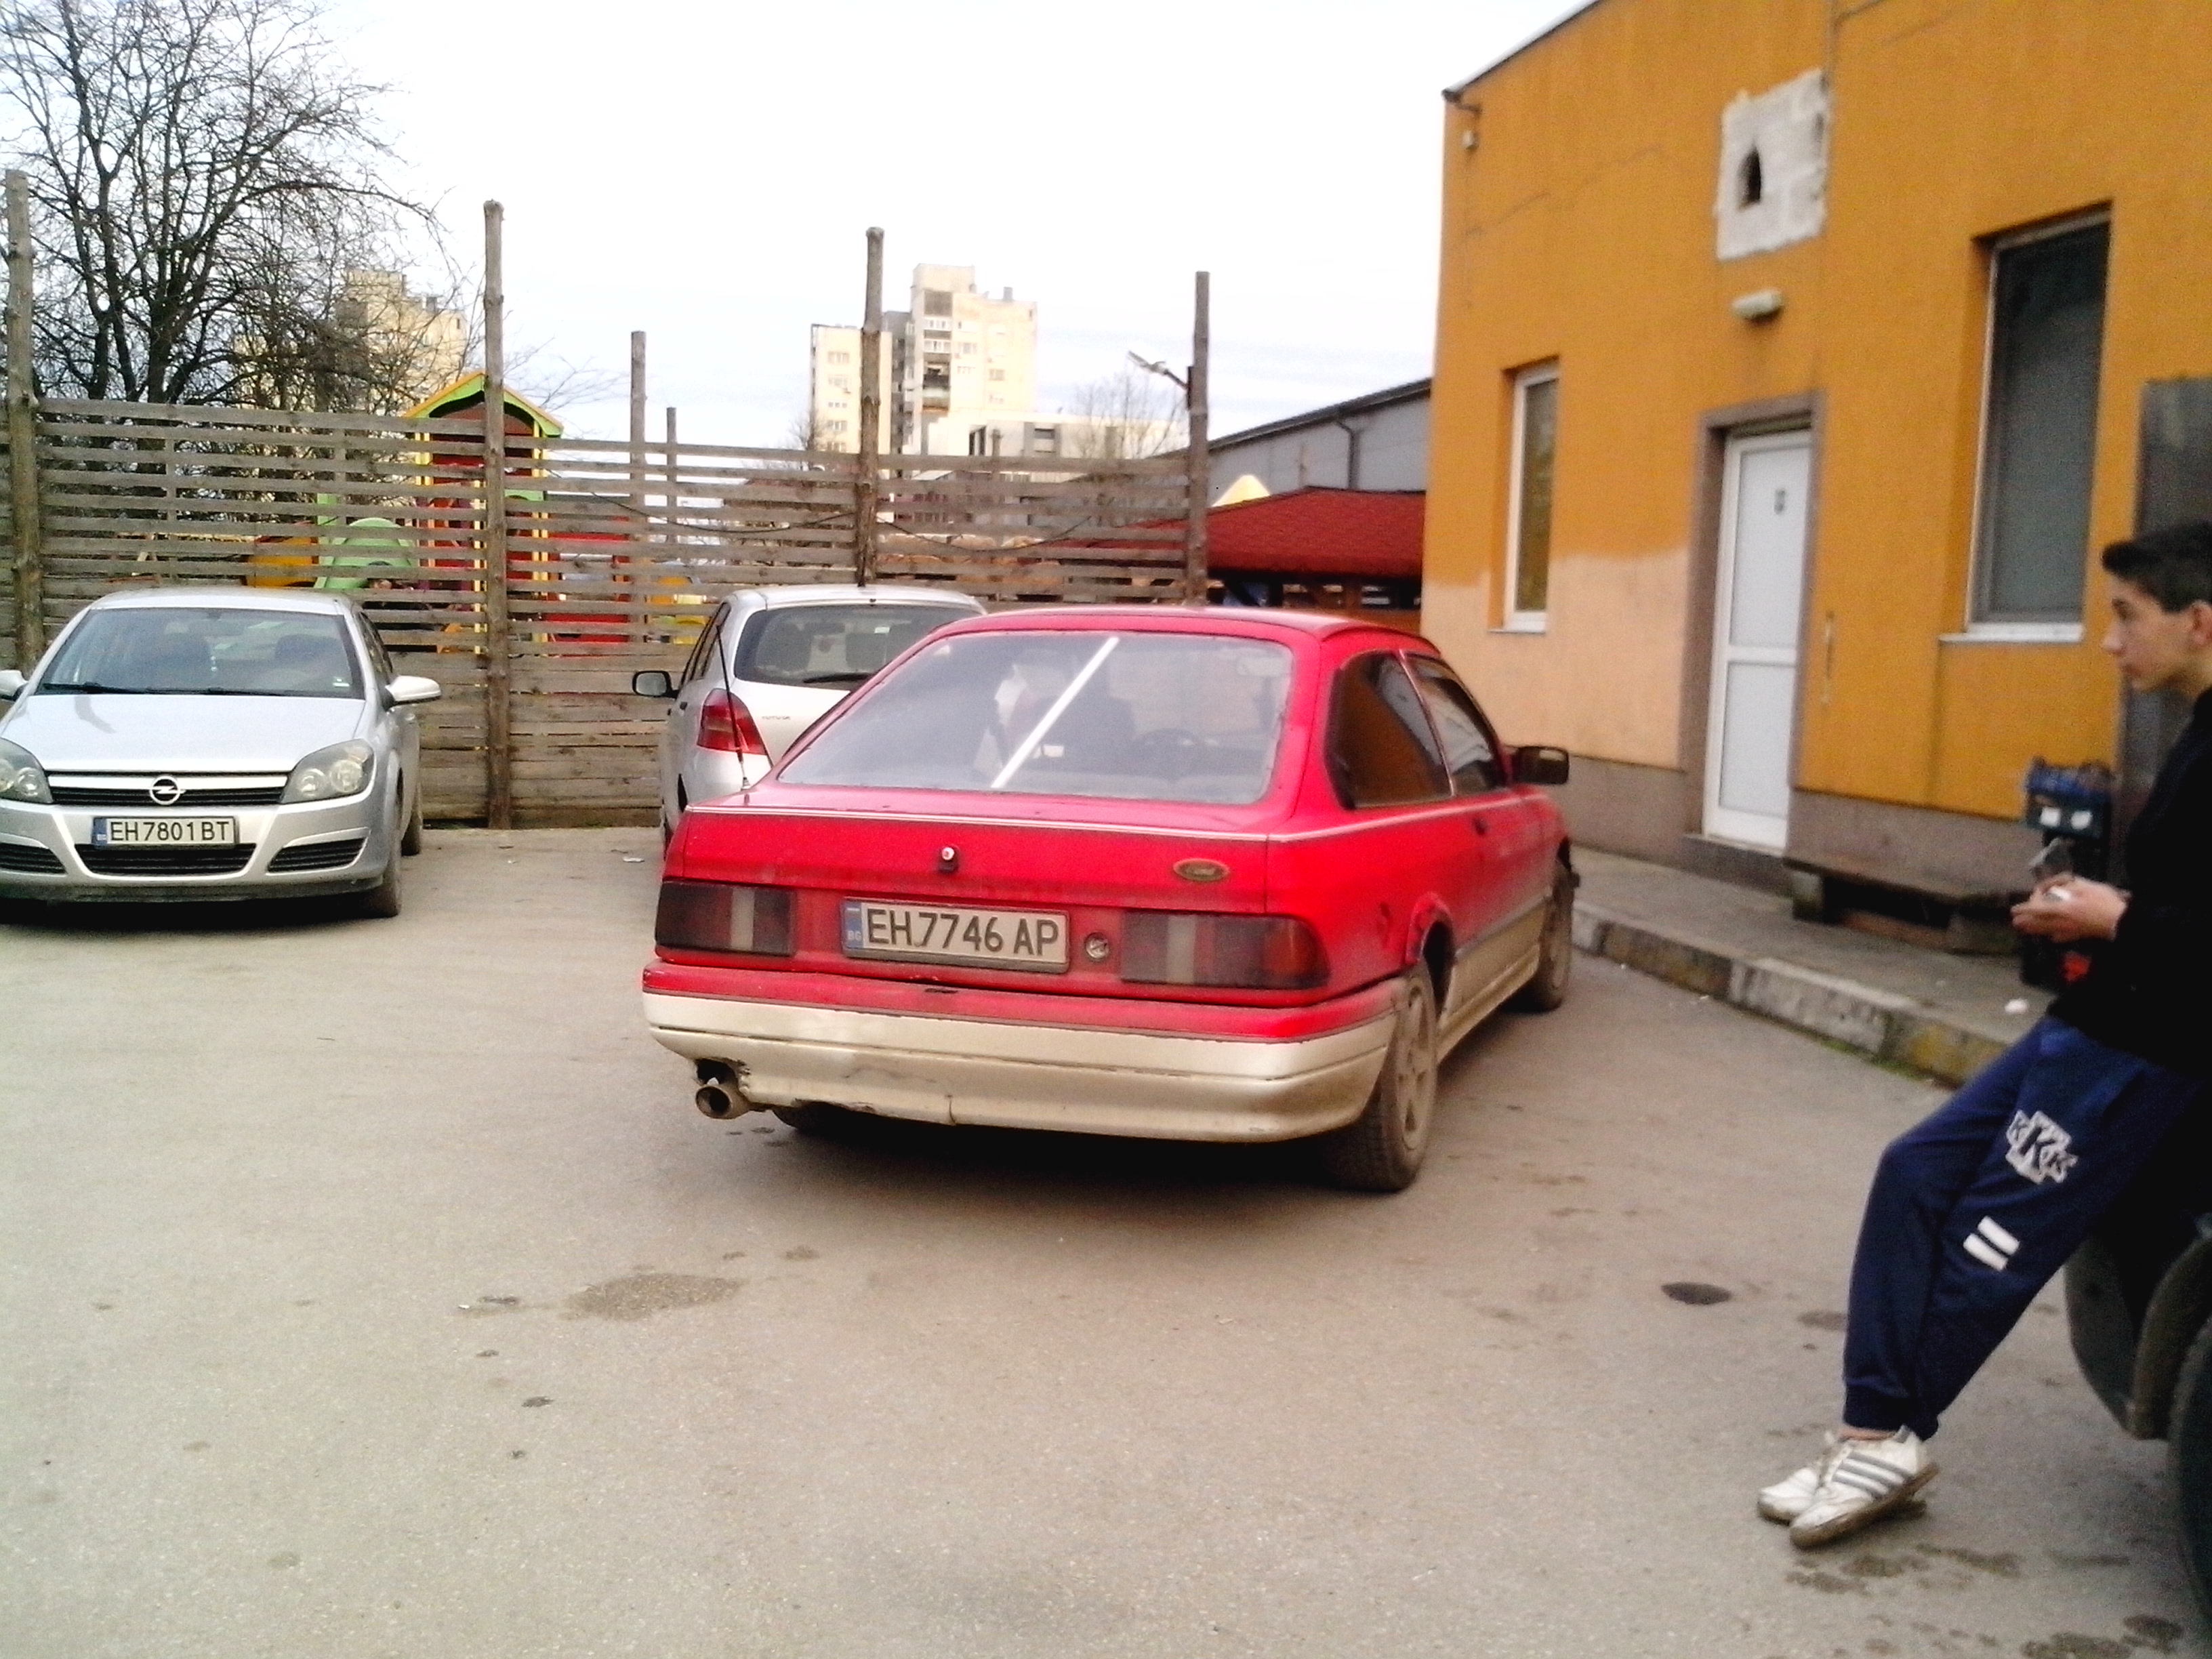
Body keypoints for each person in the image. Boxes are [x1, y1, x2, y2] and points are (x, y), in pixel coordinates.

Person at [1762, 521, 2212, 1549]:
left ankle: (1883, 1438)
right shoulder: (2196, 729)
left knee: (1991, 1243)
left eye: (2127, 617)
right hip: (2092, 1025)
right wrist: (2087, 918)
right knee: (1915, 1173)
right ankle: (1873, 1430)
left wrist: (2115, 917)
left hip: (2145, 1060)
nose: (2111, 641)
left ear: (2198, 621)